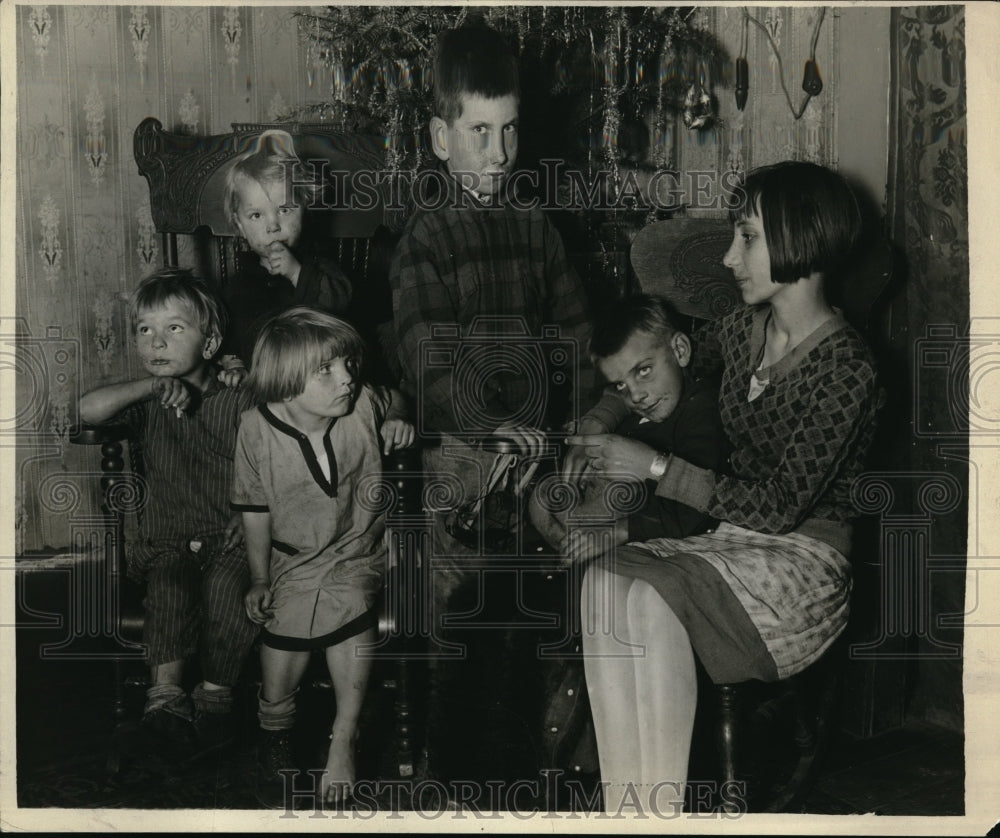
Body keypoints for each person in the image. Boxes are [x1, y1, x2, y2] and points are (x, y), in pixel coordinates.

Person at [571, 161, 883, 813]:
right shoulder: (742, 331)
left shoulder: (848, 370)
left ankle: (664, 814)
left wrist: (653, 469)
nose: (728, 255)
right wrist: (602, 418)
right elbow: (657, 360)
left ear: (800, 240)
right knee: (602, 586)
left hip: (801, 561)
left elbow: (777, 507)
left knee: (655, 601)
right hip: (726, 540)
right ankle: (623, 812)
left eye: (747, 237)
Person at [388, 19, 610, 792]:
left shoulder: (539, 228)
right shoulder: (425, 238)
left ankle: (547, 760)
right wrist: (489, 427)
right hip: (462, 454)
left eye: (510, 130)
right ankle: (453, 776)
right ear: (441, 138)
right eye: (479, 131)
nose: (499, 153)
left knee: (555, 590)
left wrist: (585, 420)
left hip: (539, 452)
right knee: (465, 605)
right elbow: (428, 358)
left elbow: (577, 338)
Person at [230, 307, 415, 807]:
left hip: (359, 547)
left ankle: (344, 734)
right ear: (287, 384)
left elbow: (393, 393)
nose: (348, 379)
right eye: (327, 371)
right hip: (294, 556)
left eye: (348, 364)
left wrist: (397, 414)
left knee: (349, 600)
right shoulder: (254, 428)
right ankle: (276, 729)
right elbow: (255, 512)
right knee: (282, 622)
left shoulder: (361, 405)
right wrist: (259, 577)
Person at [79, 268, 257, 765]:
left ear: (211, 341)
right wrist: (148, 388)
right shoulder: (149, 402)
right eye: (144, 330)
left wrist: (250, 517)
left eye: (174, 329)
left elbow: (278, 456)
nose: (156, 341)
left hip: (234, 539)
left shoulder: (238, 394)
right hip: (170, 541)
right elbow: (89, 410)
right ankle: (166, 703)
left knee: (227, 590)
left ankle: (216, 700)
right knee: (169, 589)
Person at [529, 294, 728, 561]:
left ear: (680, 350)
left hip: (641, 516)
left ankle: (576, 551)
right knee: (542, 497)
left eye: (644, 370)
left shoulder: (701, 410)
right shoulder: (642, 408)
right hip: (601, 505)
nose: (634, 396)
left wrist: (618, 532)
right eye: (621, 385)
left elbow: (693, 507)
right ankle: (570, 551)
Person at [218, 129, 353, 384]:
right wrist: (234, 361)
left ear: (305, 207)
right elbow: (230, 332)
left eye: (285, 209)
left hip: (316, 380)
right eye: (256, 215)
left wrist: (296, 273)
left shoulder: (319, 265)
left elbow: (340, 303)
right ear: (239, 224)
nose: (273, 226)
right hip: (262, 383)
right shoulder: (240, 284)